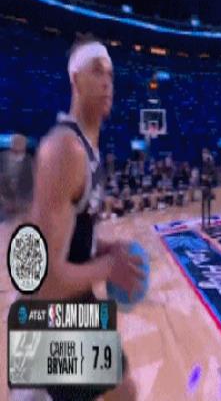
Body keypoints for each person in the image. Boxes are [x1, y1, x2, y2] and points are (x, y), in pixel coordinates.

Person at [27, 36, 144, 401]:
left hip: (76, 306)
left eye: (110, 73)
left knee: (124, 390)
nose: (108, 81)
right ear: (75, 79)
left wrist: (104, 248)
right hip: (51, 317)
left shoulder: (89, 149)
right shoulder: (66, 149)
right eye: (97, 71)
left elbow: (75, 234)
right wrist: (108, 268)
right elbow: (43, 280)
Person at [0, 134, 34, 218]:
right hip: (2, 208)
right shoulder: (2, 159)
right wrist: (4, 201)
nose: (17, 144)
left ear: (25, 145)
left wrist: (23, 204)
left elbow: (34, 186)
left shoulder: (31, 162)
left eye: (20, 142)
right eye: (15, 142)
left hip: (23, 209)